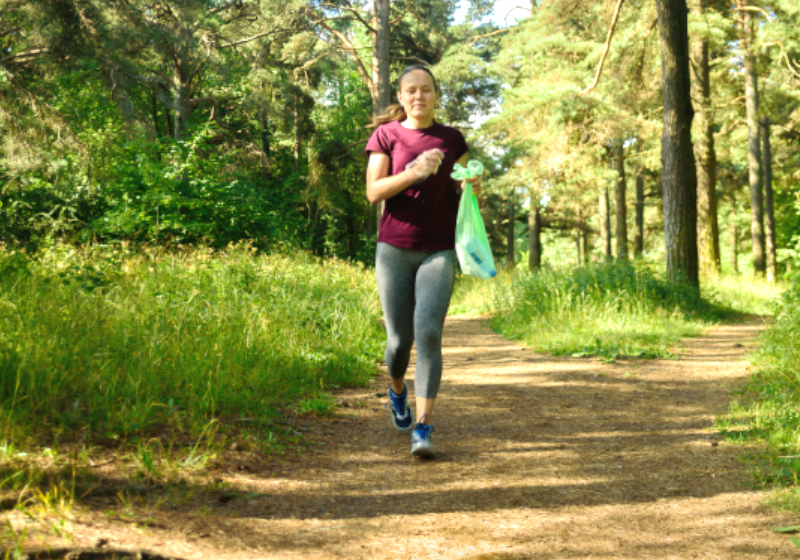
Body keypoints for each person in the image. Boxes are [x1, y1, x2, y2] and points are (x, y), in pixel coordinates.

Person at [365, 65, 482, 458]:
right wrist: (413, 173)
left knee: (429, 332)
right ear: (401, 97)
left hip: (439, 249)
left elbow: (464, 189)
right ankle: (397, 389)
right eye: (411, 91)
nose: (419, 97)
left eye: (426, 90)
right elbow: (373, 192)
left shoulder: (452, 138)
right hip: (394, 249)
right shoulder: (387, 135)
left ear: (436, 96)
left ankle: (424, 427)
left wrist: (472, 186)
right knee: (399, 341)